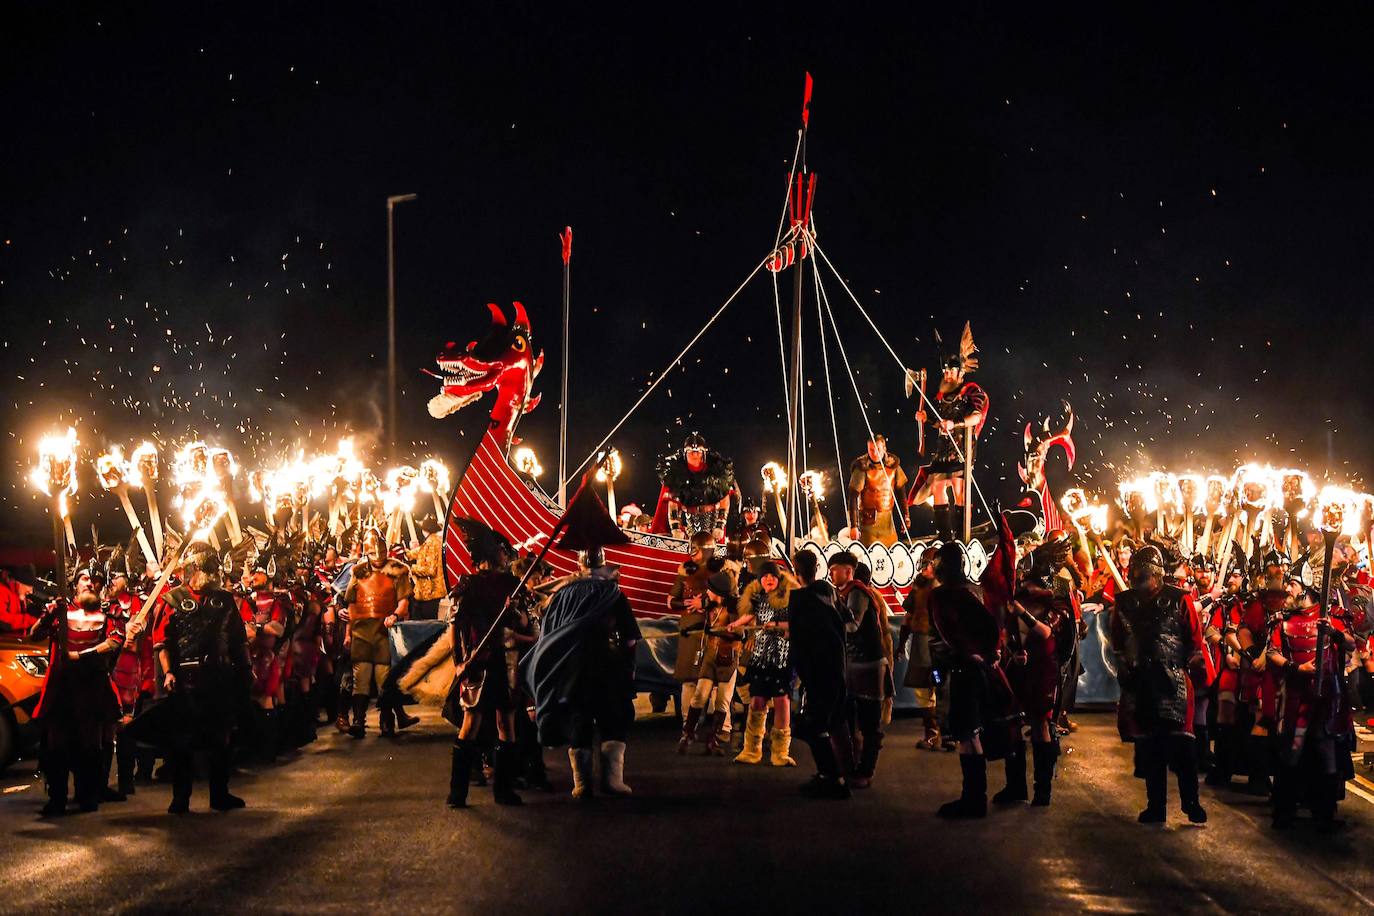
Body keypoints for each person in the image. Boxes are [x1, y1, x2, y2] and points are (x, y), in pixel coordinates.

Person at [522, 547, 641, 799]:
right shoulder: (614, 594)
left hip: (572, 668)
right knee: (613, 720)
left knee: (579, 720)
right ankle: (612, 782)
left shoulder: (561, 595)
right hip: (609, 666)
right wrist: (629, 668)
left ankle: (583, 785)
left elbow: (548, 634)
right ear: (603, 565)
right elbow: (630, 639)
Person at [1109, 544, 1214, 825]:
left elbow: (1194, 640)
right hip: (1142, 681)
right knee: (1152, 747)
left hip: (1174, 681)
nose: (1139, 577)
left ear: (1156, 573)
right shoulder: (1124, 603)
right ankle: (1156, 807)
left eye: (1144, 572)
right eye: (1136, 572)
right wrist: (1124, 667)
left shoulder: (1179, 599)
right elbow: (1118, 642)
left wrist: (1196, 668)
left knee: (1183, 747)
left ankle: (1190, 803)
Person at [155, 547, 251, 814]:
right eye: (207, 570)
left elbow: (237, 638)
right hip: (185, 680)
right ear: (193, 570)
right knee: (182, 740)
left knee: (220, 737)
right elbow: (162, 642)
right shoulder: (172, 599)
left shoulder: (225, 600)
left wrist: (245, 668)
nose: (213, 575)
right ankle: (180, 798)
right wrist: (168, 673)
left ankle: (219, 794)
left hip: (219, 677)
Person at [31, 561, 123, 816]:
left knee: (90, 747)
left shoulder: (108, 611)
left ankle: (87, 795)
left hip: (92, 688)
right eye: (85, 580)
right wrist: (50, 615)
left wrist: (81, 655)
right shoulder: (59, 609)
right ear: (74, 585)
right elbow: (33, 635)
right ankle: (57, 797)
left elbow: (114, 641)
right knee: (56, 745)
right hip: (62, 688)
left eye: (94, 581)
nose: (90, 584)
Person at [1266, 579, 1357, 830]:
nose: (1287, 590)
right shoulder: (1282, 620)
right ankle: (1284, 810)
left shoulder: (1331, 616)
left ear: (1306, 588)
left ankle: (1324, 812)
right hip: (1297, 697)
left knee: (1326, 751)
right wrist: (1296, 667)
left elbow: (1351, 645)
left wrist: (1334, 633)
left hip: (1328, 698)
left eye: (1292, 584)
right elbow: (1272, 652)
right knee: (1292, 751)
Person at [929, 541, 1006, 818]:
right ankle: (975, 797)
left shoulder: (944, 596)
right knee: (970, 733)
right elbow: (992, 625)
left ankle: (973, 799)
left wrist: (974, 655)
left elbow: (950, 635)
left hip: (964, 670)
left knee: (966, 733)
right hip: (976, 668)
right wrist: (989, 653)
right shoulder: (971, 591)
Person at [445, 537, 523, 808]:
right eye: (503, 550)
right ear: (492, 552)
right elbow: (454, 626)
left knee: (507, 723)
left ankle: (504, 791)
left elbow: (524, 622)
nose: (507, 555)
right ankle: (457, 792)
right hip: (478, 661)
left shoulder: (513, 584)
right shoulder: (468, 585)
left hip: (506, 659)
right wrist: (458, 662)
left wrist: (514, 611)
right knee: (471, 724)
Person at [998, 536, 1075, 806]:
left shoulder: (1058, 599)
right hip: (1019, 667)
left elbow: (1044, 632)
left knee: (1040, 722)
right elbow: (1007, 631)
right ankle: (1015, 787)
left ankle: (1042, 791)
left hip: (1044, 669)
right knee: (1013, 723)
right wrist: (1012, 649)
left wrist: (1020, 611)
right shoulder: (1019, 594)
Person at [912, 323, 988, 542]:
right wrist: (927, 420)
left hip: (962, 450)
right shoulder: (941, 396)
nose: (946, 373)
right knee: (937, 487)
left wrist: (954, 424)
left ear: (959, 371)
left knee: (959, 489)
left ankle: (961, 537)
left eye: (949, 370)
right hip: (943, 450)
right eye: (944, 370)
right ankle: (945, 538)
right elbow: (940, 422)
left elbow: (976, 417)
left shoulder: (972, 391)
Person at [787, 549, 851, 800]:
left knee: (814, 724)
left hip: (818, 667)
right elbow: (846, 621)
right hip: (835, 664)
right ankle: (834, 774)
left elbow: (801, 640)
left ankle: (832, 776)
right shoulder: (830, 593)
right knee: (828, 721)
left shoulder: (802, 600)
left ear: (796, 571)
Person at [830, 553, 893, 788]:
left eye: (835, 569)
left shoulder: (857, 593)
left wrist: (828, 625)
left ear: (849, 571)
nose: (831, 573)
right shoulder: (843, 593)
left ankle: (866, 770)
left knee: (869, 722)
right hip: (852, 664)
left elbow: (853, 625)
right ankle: (851, 766)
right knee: (848, 719)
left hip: (867, 665)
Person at [343, 526, 412, 738]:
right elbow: (352, 605)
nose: (378, 557)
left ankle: (386, 720)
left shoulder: (397, 571)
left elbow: (403, 603)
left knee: (384, 680)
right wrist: (348, 633)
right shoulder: (358, 572)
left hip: (384, 632)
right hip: (362, 633)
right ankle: (358, 721)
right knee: (360, 679)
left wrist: (396, 615)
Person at [731, 561, 798, 767]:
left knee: (781, 701)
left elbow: (797, 624)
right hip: (760, 656)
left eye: (773, 576)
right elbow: (749, 616)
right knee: (757, 700)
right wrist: (735, 625)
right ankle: (751, 750)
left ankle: (780, 752)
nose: (769, 579)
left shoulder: (790, 599)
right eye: (765, 576)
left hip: (782, 657)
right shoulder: (757, 598)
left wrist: (777, 625)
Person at [679, 571, 743, 755]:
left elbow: (739, 634)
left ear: (720, 592)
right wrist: (689, 629)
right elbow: (706, 626)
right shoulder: (710, 606)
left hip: (727, 658)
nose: (708, 591)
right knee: (700, 694)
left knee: (722, 700)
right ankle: (688, 734)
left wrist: (719, 632)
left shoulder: (734, 610)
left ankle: (713, 739)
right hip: (710, 656)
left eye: (711, 589)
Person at [240, 564, 288, 759]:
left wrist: (257, 628)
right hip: (247, 655)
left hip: (267, 657)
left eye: (258, 572)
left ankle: (270, 749)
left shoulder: (278, 601)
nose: (253, 576)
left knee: (265, 698)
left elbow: (278, 629)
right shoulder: (245, 601)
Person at [653, 432, 736, 541]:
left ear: (704, 453)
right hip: (690, 529)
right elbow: (673, 504)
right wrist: (675, 528)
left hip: (714, 528)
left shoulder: (718, 472)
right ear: (685, 453)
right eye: (690, 451)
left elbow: (724, 500)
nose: (694, 454)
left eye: (698, 451)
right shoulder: (676, 475)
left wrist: (720, 525)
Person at [669, 532, 715, 720]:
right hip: (689, 629)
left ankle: (713, 722)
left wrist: (704, 603)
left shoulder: (718, 572)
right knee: (688, 680)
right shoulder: (685, 572)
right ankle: (688, 721)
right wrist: (689, 604)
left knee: (711, 680)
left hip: (711, 629)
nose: (692, 554)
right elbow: (671, 601)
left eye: (696, 549)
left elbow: (726, 598)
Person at [898, 556, 942, 749]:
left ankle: (934, 733)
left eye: (928, 564)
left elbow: (908, 616)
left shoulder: (930, 588)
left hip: (928, 643)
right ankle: (940, 732)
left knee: (930, 684)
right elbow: (908, 616)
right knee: (935, 683)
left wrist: (901, 643)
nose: (924, 567)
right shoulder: (928, 587)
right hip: (936, 643)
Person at [845, 436, 909, 546]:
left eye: (878, 449)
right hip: (868, 523)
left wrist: (906, 515)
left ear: (884, 448)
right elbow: (853, 497)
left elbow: (901, 492)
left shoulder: (893, 465)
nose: (874, 453)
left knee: (891, 551)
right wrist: (854, 526)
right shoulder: (862, 467)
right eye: (871, 450)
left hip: (888, 521)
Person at [407, 516, 446, 621]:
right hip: (436, 593)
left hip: (429, 593)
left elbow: (430, 570)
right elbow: (419, 552)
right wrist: (406, 553)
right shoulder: (436, 540)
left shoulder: (431, 543)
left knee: (424, 627)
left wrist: (411, 568)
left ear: (425, 530)